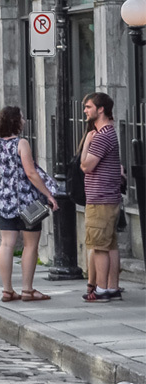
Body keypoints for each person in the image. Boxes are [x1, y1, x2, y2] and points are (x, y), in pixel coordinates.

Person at [0, 106, 58, 303]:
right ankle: (27, 290)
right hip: (26, 201)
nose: (24, 120)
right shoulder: (21, 143)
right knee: (30, 245)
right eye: (21, 117)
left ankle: (7, 290)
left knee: (6, 244)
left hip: (4, 199)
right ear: (15, 121)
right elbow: (30, 173)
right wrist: (49, 195)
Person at [79, 92, 126, 302]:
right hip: (109, 197)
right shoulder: (110, 133)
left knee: (98, 247)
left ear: (101, 110)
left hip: (100, 199)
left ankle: (102, 289)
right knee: (110, 245)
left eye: (88, 107)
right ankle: (113, 287)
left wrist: (87, 143)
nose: (85, 111)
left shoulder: (101, 135)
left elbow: (86, 166)